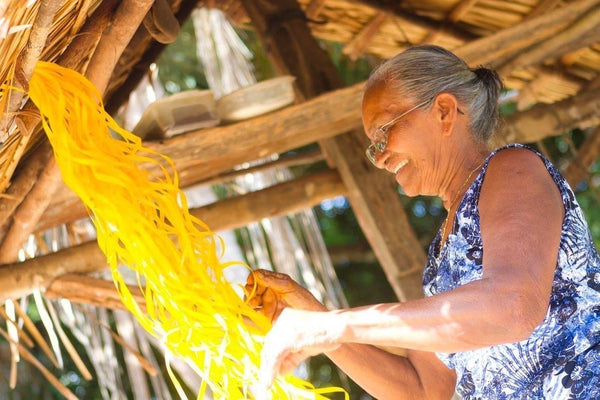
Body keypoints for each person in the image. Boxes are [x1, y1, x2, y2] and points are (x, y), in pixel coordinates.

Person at [245, 45, 600, 399]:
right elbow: (423, 389)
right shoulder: (439, 260)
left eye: (384, 133)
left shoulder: (512, 169)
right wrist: (316, 318)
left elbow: (513, 306)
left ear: (444, 112)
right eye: (373, 146)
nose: (380, 159)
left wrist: (330, 326)